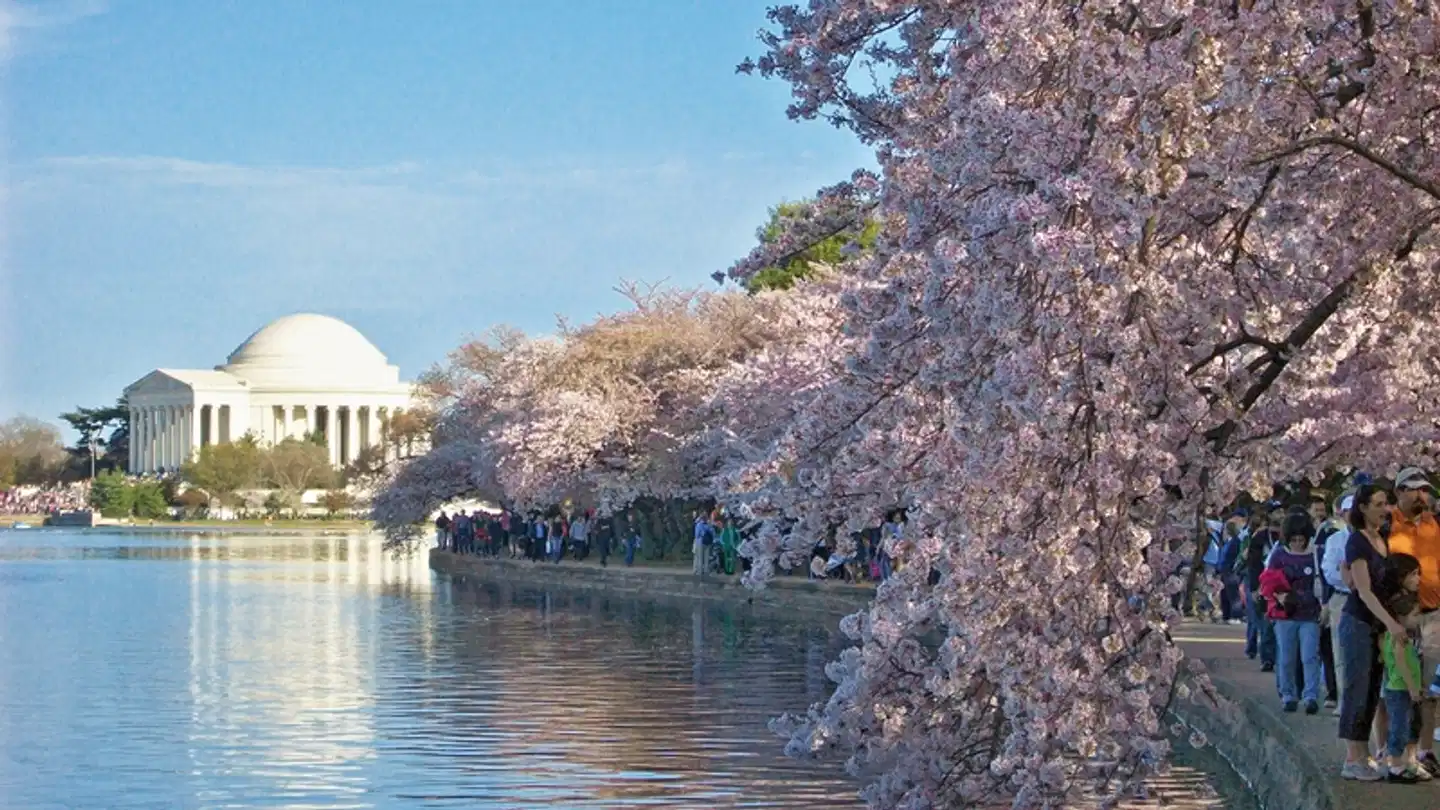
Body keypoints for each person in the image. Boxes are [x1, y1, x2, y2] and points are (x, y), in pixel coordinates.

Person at [1338, 483, 1401, 782]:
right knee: (1357, 687)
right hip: (1358, 621)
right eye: (1377, 503)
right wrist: (1390, 622)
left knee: (1373, 689)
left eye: (1385, 503)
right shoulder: (1357, 542)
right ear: (1362, 508)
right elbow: (1363, 591)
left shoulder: (1383, 538)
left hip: (1377, 624)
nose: (1383, 509)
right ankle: (1353, 756)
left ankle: (1365, 754)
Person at [1384, 467, 1440, 776]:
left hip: (1433, 615)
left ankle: (1424, 750)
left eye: (1424, 489)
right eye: (1413, 488)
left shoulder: (1434, 524)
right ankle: (1389, 749)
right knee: (1395, 685)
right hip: (1400, 616)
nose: (1420, 494)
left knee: (1428, 688)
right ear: (1399, 491)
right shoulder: (1388, 524)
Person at [1261, 513, 1323, 713]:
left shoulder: (1316, 553)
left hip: (1310, 613)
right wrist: (1278, 596)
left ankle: (1311, 695)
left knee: (1309, 656)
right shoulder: (1279, 555)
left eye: (1301, 539)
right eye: (1294, 540)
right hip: (1286, 613)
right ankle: (1288, 694)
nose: (1297, 543)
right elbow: (1267, 582)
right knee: (1287, 657)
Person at [1380, 554, 1427, 783]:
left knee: (1410, 724)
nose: (1418, 619)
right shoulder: (1398, 637)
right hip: (1400, 688)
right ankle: (1395, 765)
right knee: (1398, 726)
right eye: (1415, 615)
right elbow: (1400, 664)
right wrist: (1412, 688)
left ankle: (1404, 762)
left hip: (1407, 687)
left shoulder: (1406, 635)